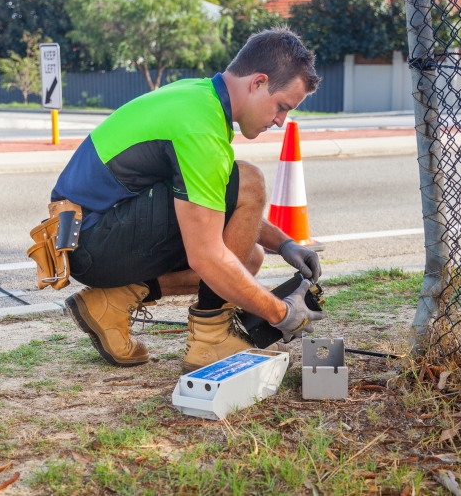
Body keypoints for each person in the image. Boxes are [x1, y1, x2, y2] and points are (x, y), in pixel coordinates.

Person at [49, 28, 328, 373]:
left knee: (250, 255)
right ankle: (210, 338)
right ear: (258, 83)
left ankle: (111, 302)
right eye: (282, 107)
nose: (281, 121)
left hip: (85, 233)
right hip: (92, 239)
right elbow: (206, 254)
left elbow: (211, 198)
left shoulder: (198, 96)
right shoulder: (201, 128)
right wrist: (280, 313)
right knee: (249, 182)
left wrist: (283, 244)